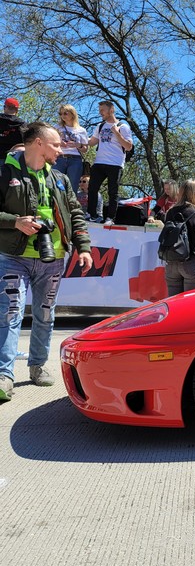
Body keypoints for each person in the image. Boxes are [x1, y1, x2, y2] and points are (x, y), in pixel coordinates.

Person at [0, 122, 93, 400]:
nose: (61, 150)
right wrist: (15, 222)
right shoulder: (5, 171)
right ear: (38, 143)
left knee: (45, 315)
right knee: (9, 314)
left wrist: (84, 247)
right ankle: (4, 375)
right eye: (56, 145)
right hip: (13, 257)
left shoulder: (60, 178)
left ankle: (38, 366)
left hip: (53, 259)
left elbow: (75, 213)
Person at [86, 100, 133, 226]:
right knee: (92, 188)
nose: (100, 113)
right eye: (99, 110)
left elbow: (128, 146)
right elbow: (92, 142)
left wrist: (116, 132)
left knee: (113, 192)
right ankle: (91, 214)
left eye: (103, 110)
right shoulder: (100, 126)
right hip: (99, 162)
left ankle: (110, 218)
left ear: (111, 110)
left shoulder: (123, 126)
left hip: (115, 164)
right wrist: (79, 140)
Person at [162, 180, 195, 296]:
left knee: (173, 302)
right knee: (192, 303)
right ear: (194, 193)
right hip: (193, 264)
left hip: (172, 262)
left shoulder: (170, 212)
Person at [53, 104, 89, 193]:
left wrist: (78, 145)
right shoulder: (57, 127)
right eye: (60, 114)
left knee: (72, 187)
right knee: (56, 184)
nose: (63, 116)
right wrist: (59, 143)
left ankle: (70, 202)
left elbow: (85, 149)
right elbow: (50, 143)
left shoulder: (81, 130)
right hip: (59, 157)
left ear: (72, 114)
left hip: (75, 159)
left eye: (65, 113)